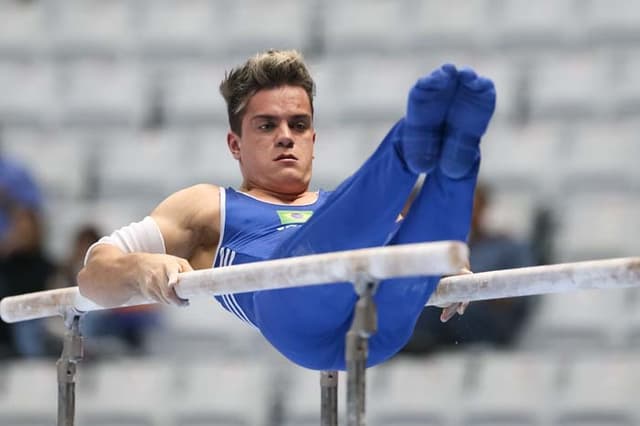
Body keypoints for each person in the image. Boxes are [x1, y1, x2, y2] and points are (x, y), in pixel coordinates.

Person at [78, 50, 496, 370]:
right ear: (235, 145)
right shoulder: (210, 205)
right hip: (293, 319)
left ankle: (458, 158)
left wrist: (443, 266)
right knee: (324, 246)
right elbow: (93, 275)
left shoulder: (346, 208)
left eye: (298, 125)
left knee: (412, 242)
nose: (285, 137)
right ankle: (409, 147)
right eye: (266, 125)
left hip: (381, 326)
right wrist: (139, 267)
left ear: (314, 137)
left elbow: (413, 241)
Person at [404, 182, 536, 353]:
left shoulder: (508, 246)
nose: (461, 210)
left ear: (483, 207)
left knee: (432, 306)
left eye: (469, 203)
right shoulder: (438, 247)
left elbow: (520, 295)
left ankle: (409, 337)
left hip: (486, 320)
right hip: (441, 319)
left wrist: (473, 290)